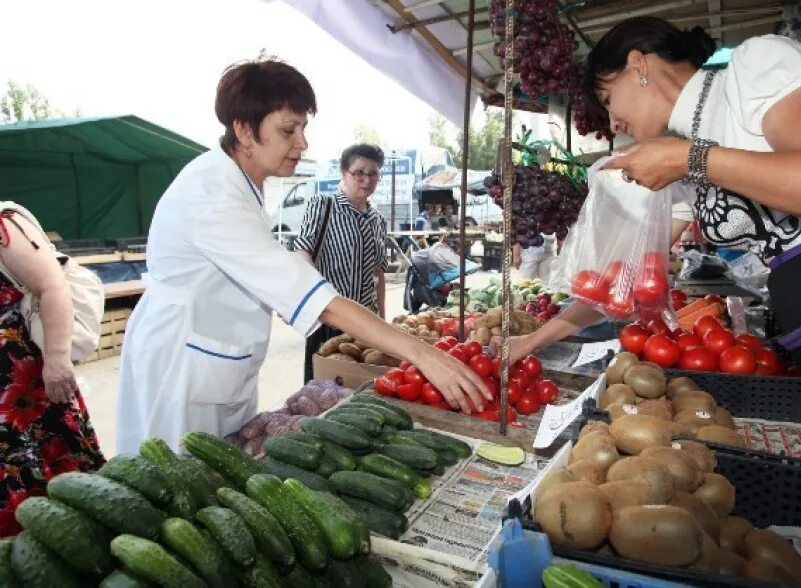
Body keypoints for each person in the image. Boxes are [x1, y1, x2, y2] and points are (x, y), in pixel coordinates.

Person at [506, 17, 801, 447]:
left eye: (607, 97)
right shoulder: (680, 162)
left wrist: (691, 159)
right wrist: (533, 339)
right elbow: (623, 284)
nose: (613, 121)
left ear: (638, 64)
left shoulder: (755, 67)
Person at [116, 60, 491, 455]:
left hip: (215, 362)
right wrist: (421, 354)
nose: (302, 143)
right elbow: (314, 297)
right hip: (181, 371)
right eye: (287, 130)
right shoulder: (212, 195)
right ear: (243, 128)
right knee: (178, 480)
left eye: (303, 128)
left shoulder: (241, 183)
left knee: (218, 469)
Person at [0, 206, 105, 535]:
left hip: (28, 389)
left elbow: (53, 287)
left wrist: (58, 359)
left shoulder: (5, 226)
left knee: (59, 480)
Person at [294, 144, 389, 383]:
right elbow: (302, 252)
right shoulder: (323, 205)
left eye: (373, 173)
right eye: (359, 172)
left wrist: (383, 320)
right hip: (330, 321)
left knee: (362, 392)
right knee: (322, 393)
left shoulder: (378, 219)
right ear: (344, 173)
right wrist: (318, 299)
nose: (366, 180)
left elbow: (379, 274)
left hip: (367, 324)